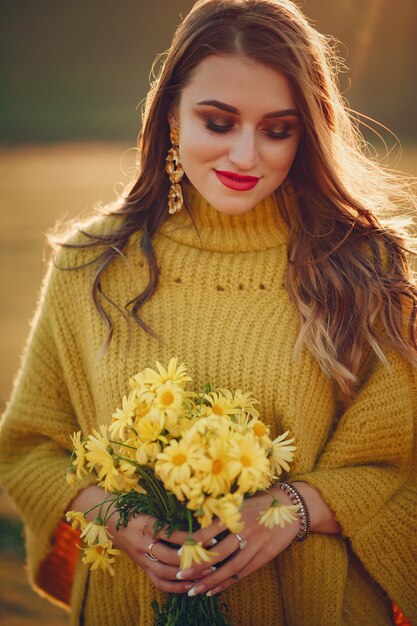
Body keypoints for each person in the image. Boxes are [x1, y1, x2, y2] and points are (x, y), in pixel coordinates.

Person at [0, 0, 416, 624]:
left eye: (278, 129)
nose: (246, 156)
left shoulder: (361, 269)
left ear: (307, 131)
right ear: (171, 116)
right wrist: (116, 519)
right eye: (218, 122)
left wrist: (294, 511)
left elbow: (396, 464)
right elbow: (29, 449)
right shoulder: (91, 264)